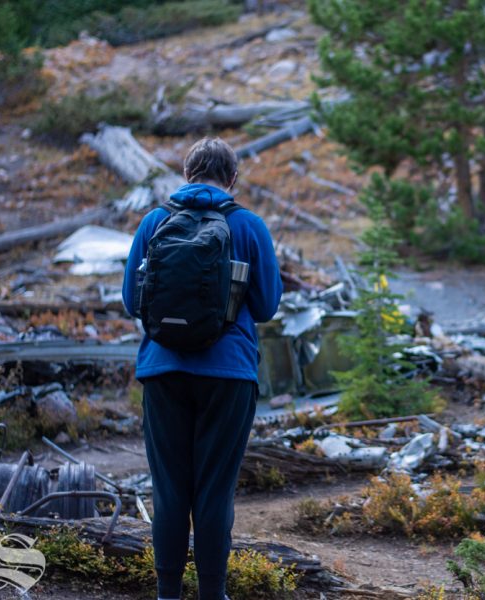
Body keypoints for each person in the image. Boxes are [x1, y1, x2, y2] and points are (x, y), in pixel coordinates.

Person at [121, 138, 282, 600]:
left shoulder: (154, 222)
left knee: (170, 490)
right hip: (228, 376)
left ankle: (167, 592)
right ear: (232, 179)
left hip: (162, 371)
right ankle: (213, 593)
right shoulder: (248, 226)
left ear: (186, 174)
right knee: (214, 491)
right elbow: (267, 306)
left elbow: (133, 301)